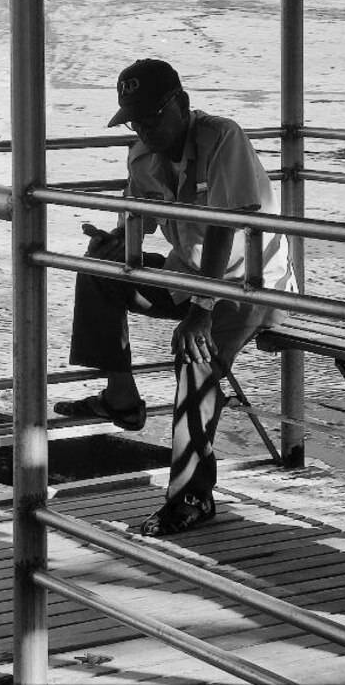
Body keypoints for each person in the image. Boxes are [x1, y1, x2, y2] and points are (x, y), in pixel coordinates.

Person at [55, 58, 293, 536]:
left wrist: (202, 312)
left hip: (247, 284)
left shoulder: (223, 138)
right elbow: (134, 214)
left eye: (152, 117)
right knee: (97, 271)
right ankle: (122, 400)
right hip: (190, 277)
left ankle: (192, 497)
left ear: (181, 105)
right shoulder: (142, 155)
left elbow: (229, 225)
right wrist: (116, 243)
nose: (145, 129)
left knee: (195, 353)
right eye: (135, 121)